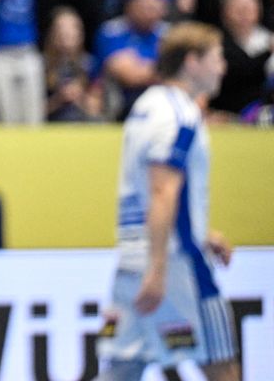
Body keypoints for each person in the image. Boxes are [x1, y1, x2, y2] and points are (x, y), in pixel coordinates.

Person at [95, 21, 239, 381]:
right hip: (175, 265)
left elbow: (150, 191)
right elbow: (163, 191)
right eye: (217, 58)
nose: (223, 67)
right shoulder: (181, 116)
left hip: (131, 260)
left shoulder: (146, 106)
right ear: (192, 62)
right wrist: (158, 269)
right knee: (222, 365)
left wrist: (202, 230)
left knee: (122, 369)